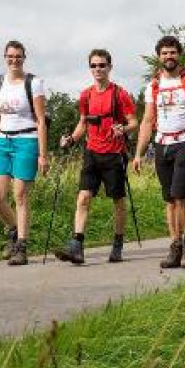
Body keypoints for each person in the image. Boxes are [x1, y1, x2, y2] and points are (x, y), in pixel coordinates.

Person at [132, 36, 185, 268]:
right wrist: (138, 153)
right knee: (168, 198)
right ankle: (174, 245)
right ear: (159, 56)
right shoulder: (153, 85)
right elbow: (147, 121)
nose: (169, 57)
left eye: (173, 52)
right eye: (165, 53)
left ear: (179, 54)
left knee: (180, 194)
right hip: (161, 144)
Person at [56, 49, 138, 265]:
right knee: (83, 197)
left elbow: (134, 122)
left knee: (118, 201)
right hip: (91, 153)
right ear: (90, 68)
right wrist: (71, 139)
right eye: (94, 65)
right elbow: (83, 123)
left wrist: (124, 129)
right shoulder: (86, 95)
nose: (98, 69)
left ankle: (118, 244)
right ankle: (77, 247)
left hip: (114, 154)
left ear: (110, 67)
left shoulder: (120, 94)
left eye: (102, 65)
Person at [0, 39, 49, 266]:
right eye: (10, 56)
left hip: (26, 141)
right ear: (5, 57)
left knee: (20, 194)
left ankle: (21, 246)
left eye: (18, 56)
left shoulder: (34, 83)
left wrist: (43, 154)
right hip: (2, 142)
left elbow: (40, 121)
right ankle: (14, 229)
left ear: (24, 58)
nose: (14, 60)